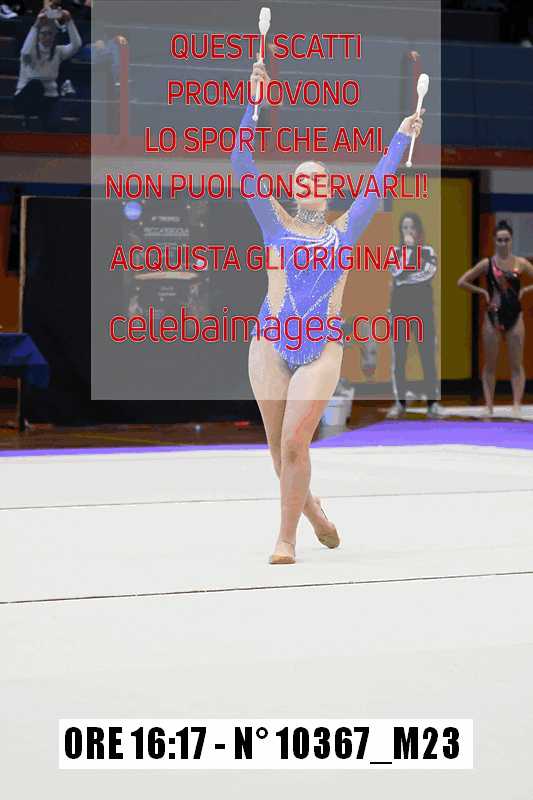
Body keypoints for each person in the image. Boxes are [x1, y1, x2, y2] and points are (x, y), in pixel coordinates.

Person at [231, 57, 423, 564]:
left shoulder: (345, 231)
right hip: (270, 341)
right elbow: (241, 163)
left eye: (319, 181)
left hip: (321, 348)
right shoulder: (273, 222)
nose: (310, 186)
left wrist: (402, 135)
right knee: (279, 449)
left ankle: (286, 538)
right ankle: (313, 512)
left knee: (296, 441)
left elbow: (378, 183)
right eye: (302, 180)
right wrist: (253, 104)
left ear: (329, 191)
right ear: (293, 190)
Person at [458, 219, 533, 416]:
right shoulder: (487, 264)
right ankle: (488, 405)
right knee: (490, 364)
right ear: (494, 241)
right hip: (493, 317)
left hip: (515, 316)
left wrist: (526, 290)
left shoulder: (520, 263)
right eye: (499, 240)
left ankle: (516, 404)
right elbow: (462, 281)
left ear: (512, 240)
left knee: (516, 364)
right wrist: (482, 292)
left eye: (506, 240)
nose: (503, 243)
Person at [386, 212, 442, 418]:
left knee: (427, 356)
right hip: (400, 309)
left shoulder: (428, 252)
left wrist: (405, 278)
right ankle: (400, 402)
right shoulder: (394, 252)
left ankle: (432, 403)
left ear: (418, 230)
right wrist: (408, 253)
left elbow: (426, 274)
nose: (408, 232)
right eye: (405, 228)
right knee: (399, 357)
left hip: (422, 310)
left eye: (412, 227)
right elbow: (396, 272)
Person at [13, 5, 81, 130]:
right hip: (25, 98)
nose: (47, 37)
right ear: (38, 35)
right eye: (44, 33)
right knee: (36, 84)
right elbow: (26, 51)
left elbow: (76, 45)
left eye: (50, 34)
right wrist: (36, 24)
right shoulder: (29, 50)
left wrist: (69, 21)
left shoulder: (58, 51)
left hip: (49, 98)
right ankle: (29, 121)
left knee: (57, 119)